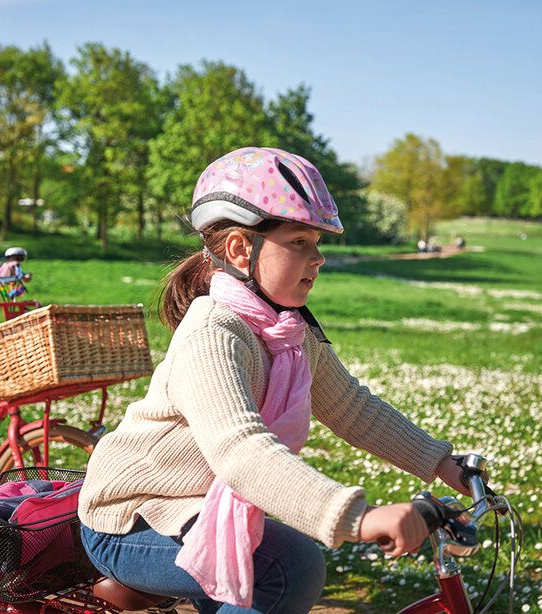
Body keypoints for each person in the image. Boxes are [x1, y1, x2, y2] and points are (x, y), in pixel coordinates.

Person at [77, 147, 475, 613]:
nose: (318, 258)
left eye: (318, 243)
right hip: (132, 516)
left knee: (281, 567)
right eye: (300, 242)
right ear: (242, 249)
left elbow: (350, 407)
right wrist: (358, 518)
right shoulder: (214, 331)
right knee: (292, 567)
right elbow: (241, 453)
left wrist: (442, 463)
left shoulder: (287, 330)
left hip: (195, 508)